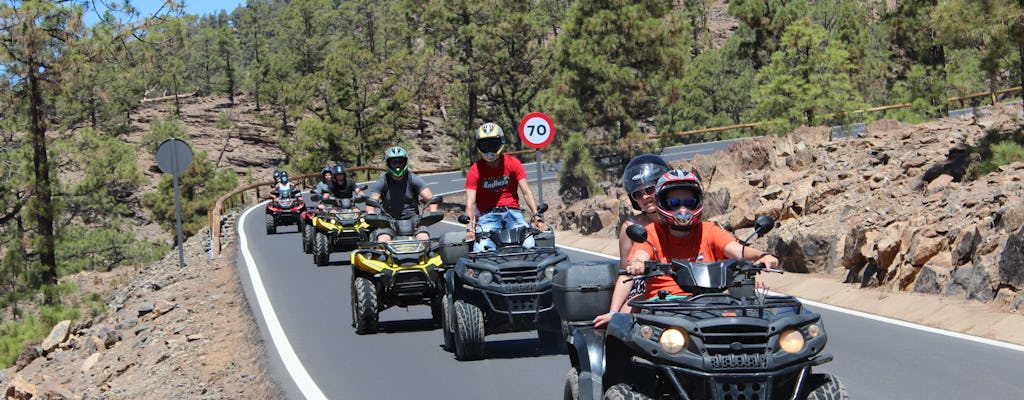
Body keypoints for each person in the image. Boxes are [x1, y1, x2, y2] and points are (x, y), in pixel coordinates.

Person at [592, 169, 780, 327]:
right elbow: (640, 253)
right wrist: (638, 264)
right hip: (661, 305)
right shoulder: (651, 232)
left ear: (697, 202)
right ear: (663, 204)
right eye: (674, 203)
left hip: (710, 303)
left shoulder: (709, 230)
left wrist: (761, 256)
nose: (682, 209)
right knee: (624, 332)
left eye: (688, 202)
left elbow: (737, 249)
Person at [464, 122, 547, 251]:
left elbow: (526, 192)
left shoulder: (513, 163)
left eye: (493, 145)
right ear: (479, 147)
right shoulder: (475, 170)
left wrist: (537, 216)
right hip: (488, 216)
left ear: (501, 143)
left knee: (530, 244)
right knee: (482, 249)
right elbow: (470, 203)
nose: (490, 149)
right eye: (486, 145)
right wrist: (470, 227)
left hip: (513, 213)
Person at [614, 154, 672, 304]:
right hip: (644, 287)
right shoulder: (631, 227)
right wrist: (613, 312)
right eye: (637, 194)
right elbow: (626, 273)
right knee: (622, 321)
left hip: (680, 283)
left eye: (650, 190)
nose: (645, 197)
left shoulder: (681, 218)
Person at [366, 146, 437, 242]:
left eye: (400, 162)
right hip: (388, 221)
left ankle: (425, 256)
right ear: (389, 164)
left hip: (414, 220)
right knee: (382, 240)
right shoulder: (383, 180)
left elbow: (431, 198)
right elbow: (371, 202)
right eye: (394, 162)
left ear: (405, 162)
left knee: (423, 238)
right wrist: (371, 213)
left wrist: (433, 212)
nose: (397, 165)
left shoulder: (413, 178)